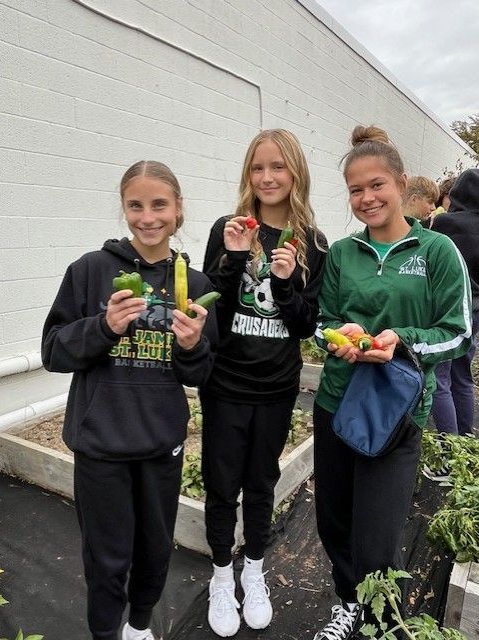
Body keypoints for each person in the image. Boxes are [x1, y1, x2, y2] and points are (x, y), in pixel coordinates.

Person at [41, 161, 218, 640]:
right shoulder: (90, 271)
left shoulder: (194, 285)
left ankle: (139, 627)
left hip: (161, 444)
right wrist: (105, 326)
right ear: (124, 209)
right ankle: (105, 633)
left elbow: (201, 373)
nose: (147, 216)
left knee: (155, 549)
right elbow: (53, 351)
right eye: (135, 205)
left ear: (178, 209)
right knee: (105, 555)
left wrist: (190, 345)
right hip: (101, 444)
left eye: (159, 204)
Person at [312, 125, 472, 640]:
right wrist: (340, 338)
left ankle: (380, 622)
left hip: (399, 411)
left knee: (377, 537)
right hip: (338, 404)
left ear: (401, 183)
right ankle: (346, 604)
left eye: (376, 184)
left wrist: (398, 340)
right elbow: (322, 323)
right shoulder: (342, 253)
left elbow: (458, 333)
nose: (367, 197)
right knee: (334, 521)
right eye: (356, 189)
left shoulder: (438, 251)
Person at [201, 129, 328, 637]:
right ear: (247, 174)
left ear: (295, 173)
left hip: (277, 386)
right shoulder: (229, 228)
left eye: (278, 167)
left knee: (261, 483)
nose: (267, 177)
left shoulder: (313, 243)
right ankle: (219, 574)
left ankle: (253, 569)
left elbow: (304, 326)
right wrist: (234, 257)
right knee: (220, 484)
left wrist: (283, 280)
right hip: (225, 382)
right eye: (258, 167)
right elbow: (218, 312)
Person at [429, 169, 479, 448]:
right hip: (477, 313)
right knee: (463, 375)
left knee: (440, 376)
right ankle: (465, 440)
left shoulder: (446, 223)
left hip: (449, 308)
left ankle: (448, 447)